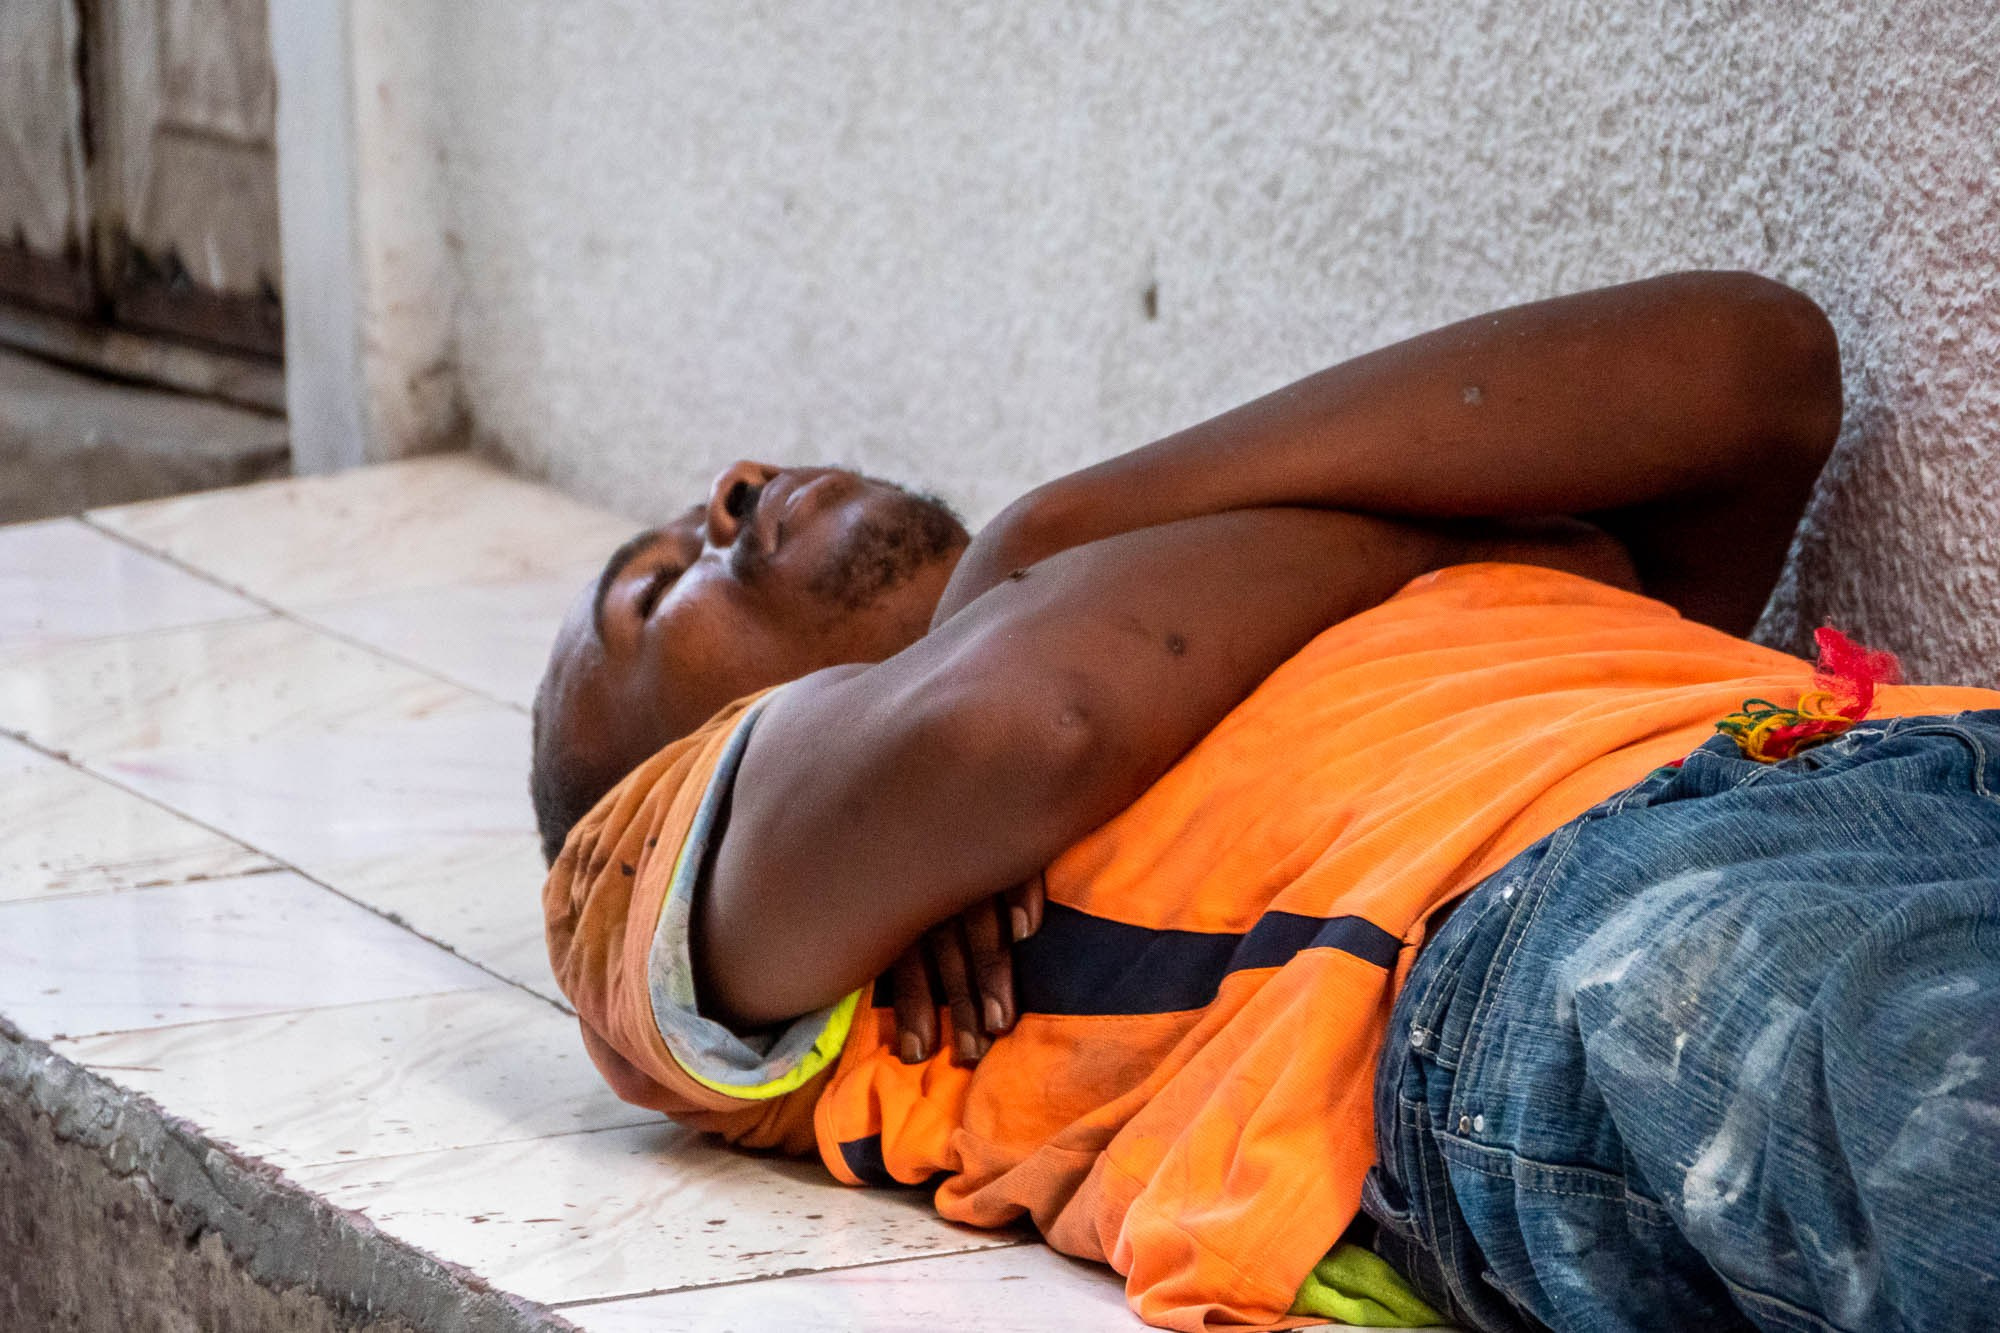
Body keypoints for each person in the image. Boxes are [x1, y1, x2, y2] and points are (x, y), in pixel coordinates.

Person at [533, 271, 2000, 1332]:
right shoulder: (660, 870)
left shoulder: (1130, 563)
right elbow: (1027, 724)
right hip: (1568, 921)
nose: (726, 491)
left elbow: (1760, 369)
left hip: (1911, 752)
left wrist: (1063, 527)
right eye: (651, 597)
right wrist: (1483, 536)